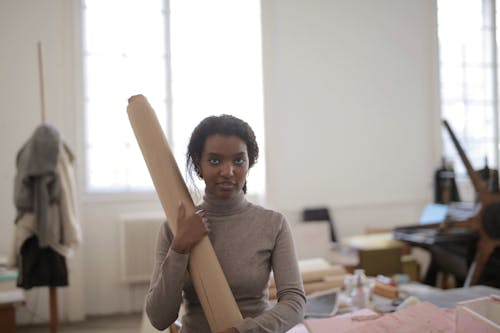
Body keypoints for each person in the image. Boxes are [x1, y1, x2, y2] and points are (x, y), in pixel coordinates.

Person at [145, 115, 305, 333]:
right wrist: (180, 248)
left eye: (238, 160)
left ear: (250, 163)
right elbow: (158, 318)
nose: (228, 171)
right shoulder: (175, 228)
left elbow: (294, 303)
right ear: (198, 164)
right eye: (214, 161)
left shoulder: (273, 224)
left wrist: (241, 331)